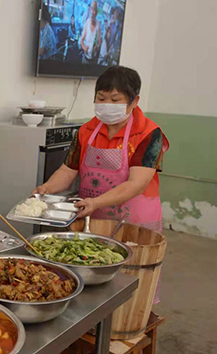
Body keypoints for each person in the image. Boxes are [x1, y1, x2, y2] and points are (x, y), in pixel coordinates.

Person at [34, 66, 169, 233]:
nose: (107, 105)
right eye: (101, 98)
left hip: (133, 222)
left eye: (115, 100)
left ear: (134, 101)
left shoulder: (148, 134)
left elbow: (137, 184)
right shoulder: (86, 131)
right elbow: (68, 171)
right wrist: (46, 188)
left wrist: (96, 202)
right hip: (92, 216)